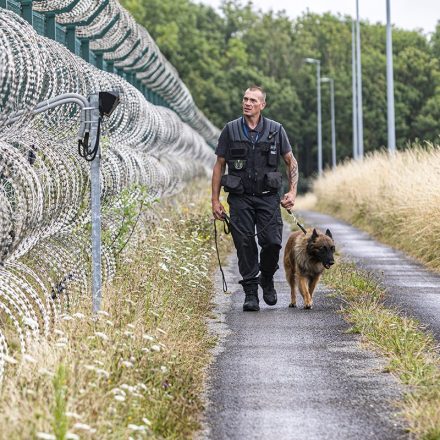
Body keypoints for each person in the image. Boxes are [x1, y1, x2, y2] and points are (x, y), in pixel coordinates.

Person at [211, 85, 298, 311]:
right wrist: (215, 200)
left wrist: (292, 191)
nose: (247, 103)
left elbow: (290, 161)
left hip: (268, 198)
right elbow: (219, 165)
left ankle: (266, 278)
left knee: (272, 242)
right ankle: (251, 293)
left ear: (262, 105)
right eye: (245, 99)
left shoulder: (276, 130)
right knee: (245, 243)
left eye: (252, 100)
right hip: (240, 199)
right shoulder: (230, 130)